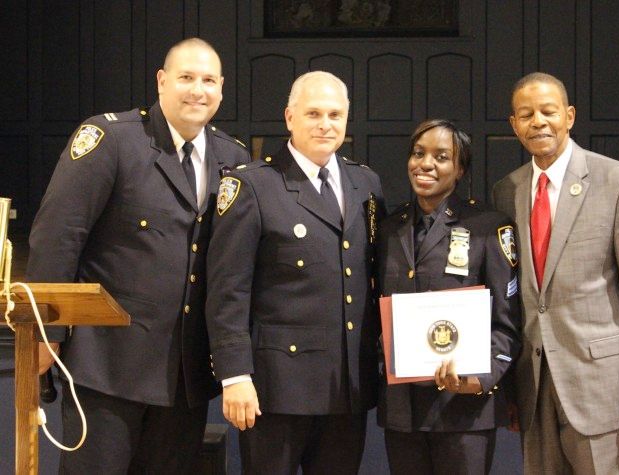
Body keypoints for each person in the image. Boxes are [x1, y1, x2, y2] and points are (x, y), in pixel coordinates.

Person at [26, 38, 250, 473]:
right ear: (162, 81)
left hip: (183, 375)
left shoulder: (233, 157)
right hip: (107, 368)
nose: (197, 90)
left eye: (208, 80)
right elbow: (58, 235)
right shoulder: (112, 139)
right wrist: (44, 332)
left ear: (221, 89)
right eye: (186, 77)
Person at [206, 71, 385, 473]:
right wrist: (234, 375)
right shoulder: (253, 186)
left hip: (346, 388)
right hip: (277, 389)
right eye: (314, 113)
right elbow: (227, 291)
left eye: (335, 115)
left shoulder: (366, 183)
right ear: (289, 117)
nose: (326, 124)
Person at [492, 72, 619, 474]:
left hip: (600, 387)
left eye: (548, 111)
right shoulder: (507, 190)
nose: (538, 121)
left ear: (569, 116)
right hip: (534, 388)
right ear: (514, 125)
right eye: (526, 114)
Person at [376, 119, 521, 474]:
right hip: (403, 410)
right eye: (418, 153)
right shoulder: (389, 228)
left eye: (441, 157)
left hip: (463, 409)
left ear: (460, 170)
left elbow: (507, 323)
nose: (425, 164)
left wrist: (478, 378)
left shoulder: (489, 227)